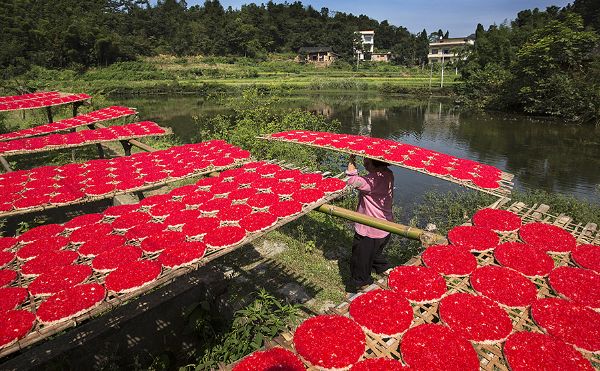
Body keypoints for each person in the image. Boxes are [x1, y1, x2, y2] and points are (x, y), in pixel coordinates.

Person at [346, 154, 394, 290]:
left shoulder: (371, 181)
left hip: (369, 230)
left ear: (373, 164)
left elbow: (352, 181)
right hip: (385, 226)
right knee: (375, 254)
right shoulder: (388, 174)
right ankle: (386, 270)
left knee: (359, 261)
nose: (364, 161)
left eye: (367, 160)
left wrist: (351, 161)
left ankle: (362, 285)